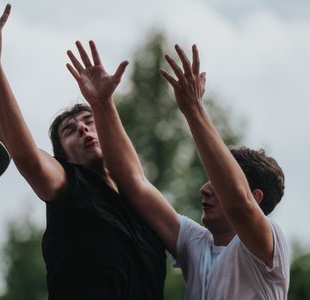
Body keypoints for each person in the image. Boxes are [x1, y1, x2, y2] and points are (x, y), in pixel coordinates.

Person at [0, 1, 166, 299]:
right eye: (69, 130)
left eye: (90, 122)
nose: (82, 129)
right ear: (62, 158)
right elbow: (28, 159)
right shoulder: (72, 185)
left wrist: (102, 104)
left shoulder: (144, 206)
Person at [66, 42, 290, 299]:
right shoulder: (196, 244)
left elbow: (239, 203)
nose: (204, 189)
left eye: (217, 183)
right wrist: (102, 104)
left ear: (256, 198)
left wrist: (194, 109)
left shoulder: (269, 248)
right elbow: (135, 182)